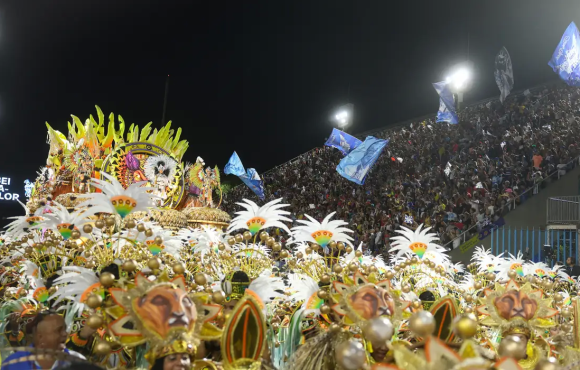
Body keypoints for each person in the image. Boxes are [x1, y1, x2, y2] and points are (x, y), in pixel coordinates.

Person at [1, 310, 85, 370]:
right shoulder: (13, 364)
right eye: (57, 331)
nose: (64, 334)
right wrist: (15, 330)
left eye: (64, 329)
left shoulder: (79, 362)